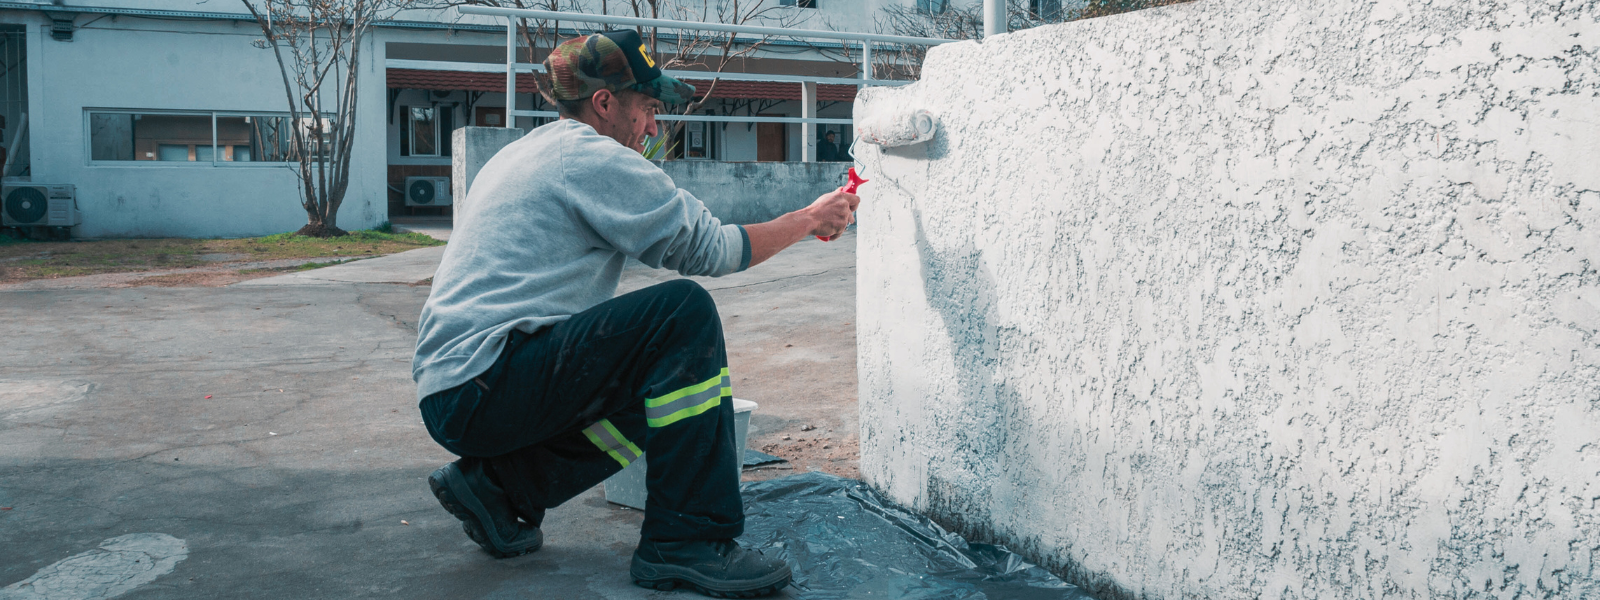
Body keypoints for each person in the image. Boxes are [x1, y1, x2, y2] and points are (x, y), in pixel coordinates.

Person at [412, 30, 859, 598]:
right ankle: (687, 540)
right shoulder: (586, 155)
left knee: (657, 388)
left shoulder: (525, 150)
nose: (653, 127)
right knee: (681, 315)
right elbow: (711, 250)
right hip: (486, 379)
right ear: (604, 103)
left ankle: (499, 491)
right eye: (647, 108)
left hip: (461, 389)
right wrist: (809, 219)